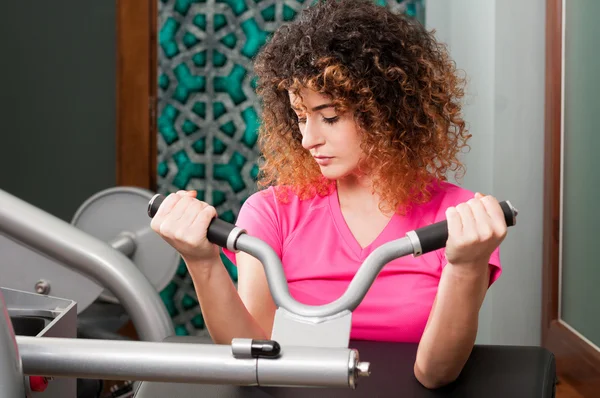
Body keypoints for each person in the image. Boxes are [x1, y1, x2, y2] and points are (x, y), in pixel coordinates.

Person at [150, 0, 508, 389]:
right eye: (301, 118)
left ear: (385, 110)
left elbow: (436, 373)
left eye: (330, 117)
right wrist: (202, 262)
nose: (308, 139)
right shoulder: (272, 212)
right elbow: (255, 356)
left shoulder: (456, 219)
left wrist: (466, 267)